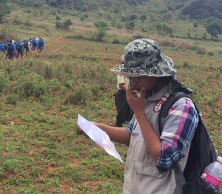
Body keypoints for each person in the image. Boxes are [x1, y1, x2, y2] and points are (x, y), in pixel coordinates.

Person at [83, 39, 199, 194]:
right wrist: (93, 127)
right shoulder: (148, 98)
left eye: (138, 77)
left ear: (156, 73)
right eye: (131, 77)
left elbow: (165, 159)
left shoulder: (181, 106)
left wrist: (139, 112)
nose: (133, 83)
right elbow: (132, 134)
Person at [111, 54, 134, 127]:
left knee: (130, 111)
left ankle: (125, 127)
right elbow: (121, 85)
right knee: (122, 111)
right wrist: (129, 92)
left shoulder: (132, 72)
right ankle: (118, 126)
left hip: (129, 93)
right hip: (122, 94)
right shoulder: (121, 71)